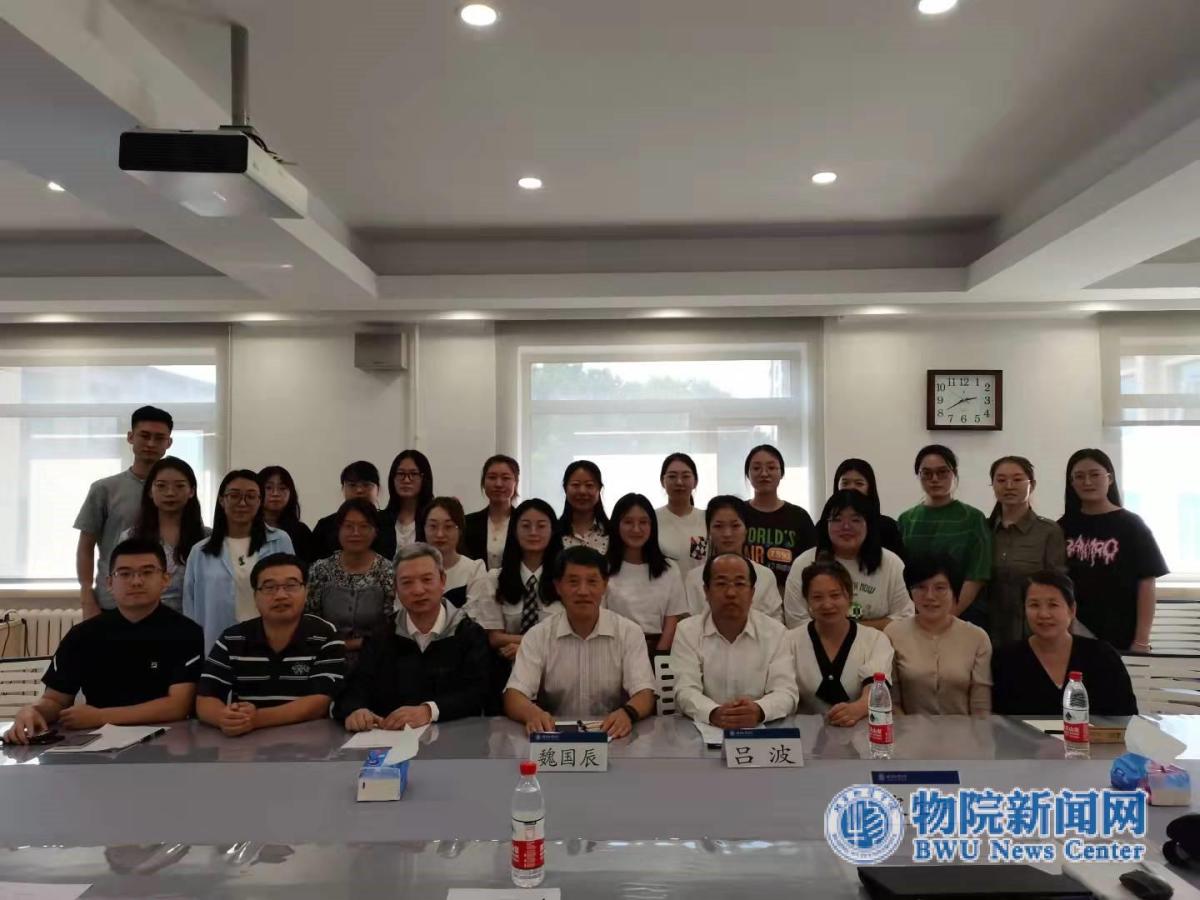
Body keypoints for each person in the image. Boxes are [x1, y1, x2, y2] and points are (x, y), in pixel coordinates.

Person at [4, 538, 202, 744]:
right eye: (124, 574)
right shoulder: (83, 635)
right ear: (109, 583)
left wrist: (101, 716)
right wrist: (33, 711)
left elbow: (178, 706)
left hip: (167, 742)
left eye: (147, 572)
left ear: (165, 579)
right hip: (98, 743)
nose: (136, 581)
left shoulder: (186, 632)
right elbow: (55, 700)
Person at [503, 546, 656, 738]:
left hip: (615, 736)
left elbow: (645, 693)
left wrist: (628, 713)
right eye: (573, 582)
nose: (583, 591)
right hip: (555, 737)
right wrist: (532, 714)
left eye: (592, 581)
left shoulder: (629, 632)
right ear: (558, 587)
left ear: (605, 585)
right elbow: (514, 695)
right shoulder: (538, 635)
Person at [336, 544, 491, 729]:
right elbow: (354, 688)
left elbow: (480, 692)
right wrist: (356, 710)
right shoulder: (381, 634)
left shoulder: (468, 633)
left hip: (454, 737)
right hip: (390, 739)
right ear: (396, 588)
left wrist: (429, 711)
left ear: (442, 581)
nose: (418, 590)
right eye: (407, 582)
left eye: (427, 580)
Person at [196, 553, 346, 736]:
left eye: (291, 586)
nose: (281, 595)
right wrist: (224, 718)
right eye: (269, 587)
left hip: (309, 741)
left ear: (306, 591)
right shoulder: (233, 638)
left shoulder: (325, 635)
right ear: (255, 596)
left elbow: (319, 703)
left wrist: (256, 719)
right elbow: (205, 698)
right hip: (245, 743)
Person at [671, 553, 798, 727]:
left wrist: (759, 710)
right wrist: (713, 713)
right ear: (706, 592)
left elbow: (786, 692)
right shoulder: (687, 631)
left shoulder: (776, 633)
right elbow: (684, 689)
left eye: (739, 584)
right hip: (703, 730)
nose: (731, 593)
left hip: (760, 731)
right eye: (721, 584)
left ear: (752, 593)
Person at [1059, 448, 1167, 652]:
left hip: (1122, 635)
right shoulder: (1062, 527)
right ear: (1071, 483)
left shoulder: (1132, 525)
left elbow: (1146, 583)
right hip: (1074, 632)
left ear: (1109, 478)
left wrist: (1142, 640)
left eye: (1095, 474)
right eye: (1079, 477)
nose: (1087, 482)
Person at [992, 571, 1138, 716]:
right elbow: (997, 721)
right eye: (1034, 605)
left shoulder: (1102, 656)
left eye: (1053, 605)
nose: (1043, 614)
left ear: (1072, 610)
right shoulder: (1005, 659)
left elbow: (1126, 716)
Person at [74, 405, 174, 617]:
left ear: (169, 443)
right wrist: (86, 596)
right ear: (130, 437)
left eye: (159, 438)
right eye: (144, 436)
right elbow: (86, 546)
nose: (151, 443)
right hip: (112, 601)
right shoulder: (104, 489)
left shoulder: (177, 490)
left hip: (168, 603)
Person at [183, 470, 295, 652]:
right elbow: (190, 607)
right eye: (234, 496)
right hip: (217, 644)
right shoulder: (200, 551)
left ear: (260, 501)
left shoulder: (280, 540)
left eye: (250, 496)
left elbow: (293, 590)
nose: (242, 503)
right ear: (222, 500)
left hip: (271, 642)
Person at [475, 498, 566, 712]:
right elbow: (494, 637)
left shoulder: (566, 579)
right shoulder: (494, 579)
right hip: (507, 674)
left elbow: (569, 633)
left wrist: (526, 647)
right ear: (514, 531)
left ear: (553, 531)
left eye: (541, 526)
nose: (533, 532)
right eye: (525, 526)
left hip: (558, 671)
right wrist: (535, 643)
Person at [784, 490, 912, 631]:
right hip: (815, 644)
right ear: (825, 524)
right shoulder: (804, 562)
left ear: (868, 524)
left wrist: (851, 632)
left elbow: (904, 618)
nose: (846, 527)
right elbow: (796, 621)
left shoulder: (891, 563)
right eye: (837, 519)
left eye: (855, 520)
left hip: (880, 643)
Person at [790, 559, 895, 725]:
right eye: (817, 597)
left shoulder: (875, 639)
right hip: (805, 733)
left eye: (835, 595)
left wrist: (859, 708)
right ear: (807, 601)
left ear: (849, 597)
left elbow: (876, 686)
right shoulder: (790, 641)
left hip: (862, 733)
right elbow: (783, 691)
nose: (827, 604)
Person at [897, 445, 992, 627]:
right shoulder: (906, 520)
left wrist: (946, 616)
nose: (935, 479)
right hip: (914, 617)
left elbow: (977, 576)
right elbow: (900, 574)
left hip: (963, 616)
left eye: (942, 472)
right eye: (927, 473)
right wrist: (920, 616)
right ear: (918, 476)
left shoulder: (973, 518)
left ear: (954, 474)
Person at [885, 556, 992, 716]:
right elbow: (891, 702)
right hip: (908, 729)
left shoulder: (977, 637)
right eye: (920, 587)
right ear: (910, 592)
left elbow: (981, 708)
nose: (930, 596)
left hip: (963, 730)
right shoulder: (893, 633)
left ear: (954, 592)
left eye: (940, 588)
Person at [985, 456, 1067, 645]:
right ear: (993, 485)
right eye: (1001, 480)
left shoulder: (1048, 531)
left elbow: (1058, 588)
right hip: (988, 631)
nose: (1009, 486)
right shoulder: (983, 530)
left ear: (1032, 484)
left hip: (1033, 632)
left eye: (1017, 479)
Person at [305, 499, 396, 664]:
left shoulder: (388, 571)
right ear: (338, 530)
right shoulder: (320, 570)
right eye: (348, 526)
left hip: (376, 658)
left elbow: (391, 625)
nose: (355, 532)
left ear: (375, 531)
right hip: (326, 657)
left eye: (364, 526)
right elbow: (310, 620)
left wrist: (356, 644)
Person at [604, 493, 689, 656]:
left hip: (659, 649)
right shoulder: (603, 568)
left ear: (652, 526)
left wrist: (659, 655)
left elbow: (672, 618)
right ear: (616, 525)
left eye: (643, 522)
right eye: (628, 522)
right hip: (614, 650)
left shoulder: (669, 568)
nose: (636, 529)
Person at [121, 456, 209, 612]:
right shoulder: (131, 537)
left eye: (179, 486)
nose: (170, 493)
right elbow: (123, 585)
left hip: (195, 619)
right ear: (150, 491)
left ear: (192, 491)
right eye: (161, 486)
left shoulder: (208, 537)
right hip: (145, 617)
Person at [684, 496, 783, 622]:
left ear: (746, 530)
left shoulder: (765, 576)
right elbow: (690, 624)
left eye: (735, 526)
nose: (727, 534)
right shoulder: (693, 578)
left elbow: (775, 623)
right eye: (718, 526)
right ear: (708, 531)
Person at [742, 444, 817, 593]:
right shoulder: (738, 513)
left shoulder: (799, 516)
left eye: (771, 467)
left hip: (788, 598)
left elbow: (811, 565)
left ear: (781, 473)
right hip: (743, 597)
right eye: (756, 468)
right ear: (748, 474)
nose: (764, 473)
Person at [310, 461, 397, 560]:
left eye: (366, 485)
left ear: (378, 490)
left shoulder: (389, 523)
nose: (359, 490)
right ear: (343, 489)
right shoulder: (325, 525)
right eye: (352, 485)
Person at [419, 496, 489, 614]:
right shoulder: (413, 569)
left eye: (448, 527)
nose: (440, 534)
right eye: (433, 526)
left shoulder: (474, 569)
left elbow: (475, 614)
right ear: (424, 528)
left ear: (460, 530)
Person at [831, 458, 906, 560]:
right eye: (845, 483)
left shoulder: (887, 527)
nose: (852, 488)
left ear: (869, 488)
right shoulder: (824, 525)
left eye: (859, 483)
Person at [655, 452, 708, 575]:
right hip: (664, 586)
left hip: (699, 586)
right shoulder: (652, 519)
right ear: (662, 481)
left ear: (695, 482)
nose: (679, 482)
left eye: (686, 476)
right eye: (672, 476)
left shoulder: (706, 518)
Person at [464, 454, 519, 569]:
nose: (498, 484)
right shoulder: (467, 523)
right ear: (483, 482)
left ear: (515, 483)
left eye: (505, 478)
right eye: (492, 477)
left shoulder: (523, 523)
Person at [258, 465, 315, 562]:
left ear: (291, 493)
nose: (275, 493)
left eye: (282, 488)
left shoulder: (301, 532)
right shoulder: (247, 528)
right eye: (268, 487)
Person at [384, 450, 434, 554]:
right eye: (401, 474)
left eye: (414, 474)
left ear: (424, 478)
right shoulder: (380, 521)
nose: (406, 480)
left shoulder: (433, 520)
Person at [559, 460, 610, 552]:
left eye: (589, 485)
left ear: (599, 489)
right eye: (575, 485)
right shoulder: (553, 531)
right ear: (565, 488)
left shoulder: (612, 532)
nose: (582, 491)